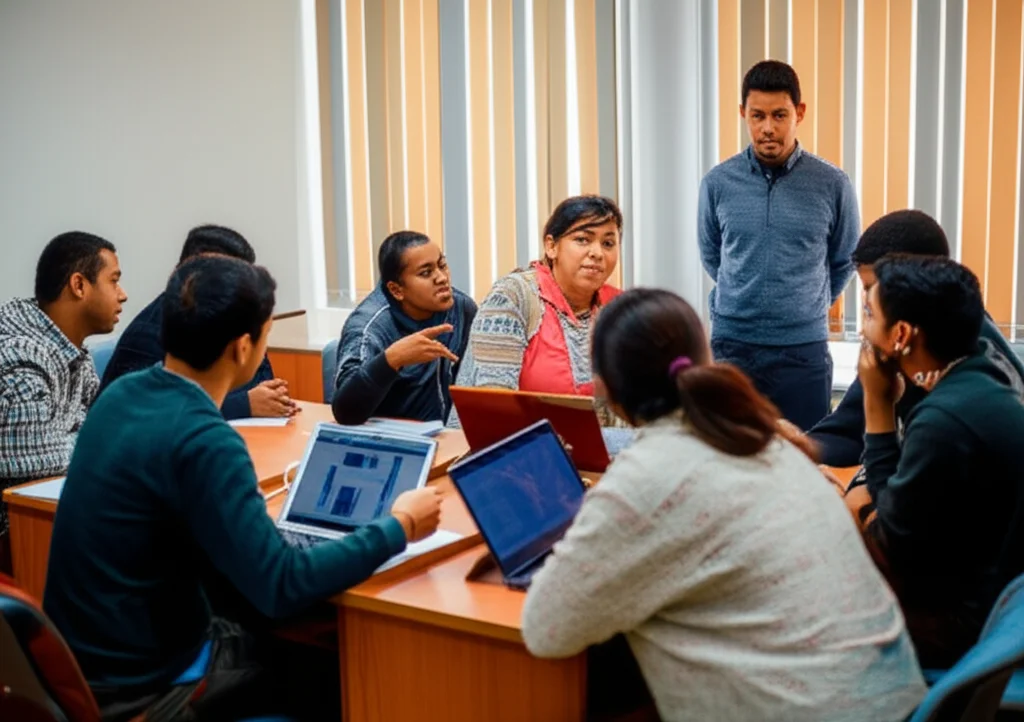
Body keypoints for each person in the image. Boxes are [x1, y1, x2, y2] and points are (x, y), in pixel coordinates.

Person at [43, 255, 443, 721]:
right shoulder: (205, 439)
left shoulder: (121, 395)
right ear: (242, 348)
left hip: (80, 666)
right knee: (337, 669)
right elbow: (282, 585)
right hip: (148, 689)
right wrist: (400, 525)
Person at [522, 287, 926, 722]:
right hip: (893, 698)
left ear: (606, 387)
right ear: (704, 358)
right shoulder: (764, 438)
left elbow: (546, 631)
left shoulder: (647, 476)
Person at [858, 255, 1024, 667]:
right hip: (998, 597)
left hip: (964, 624)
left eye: (867, 313)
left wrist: (877, 407)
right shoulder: (981, 374)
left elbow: (889, 537)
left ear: (900, 334)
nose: (861, 327)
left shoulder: (944, 421)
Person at [698, 59, 859, 430]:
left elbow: (844, 258)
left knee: (805, 460)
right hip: (733, 348)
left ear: (799, 113)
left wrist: (809, 302)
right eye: (757, 116)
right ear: (743, 114)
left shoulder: (833, 183)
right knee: (729, 459)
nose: (768, 128)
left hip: (803, 352)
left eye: (779, 115)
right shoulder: (718, 183)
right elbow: (712, 253)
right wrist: (742, 291)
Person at [809, 209, 1024, 467]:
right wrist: (789, 450)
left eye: (872, 290)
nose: (866, 308)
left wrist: (865, 487)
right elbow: (848, 430)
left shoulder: (966, 370)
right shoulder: (900, 344)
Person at [0, 231, 127, 571]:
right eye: (113, 281)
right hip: (14, 543)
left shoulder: (69, 347)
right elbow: (34, 461)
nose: (123, 294)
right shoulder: (19, 356)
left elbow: (97, 425)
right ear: (79, 285)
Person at [454, 195, 622, 424]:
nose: (597, 253)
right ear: (551, 246)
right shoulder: (513, 297)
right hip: (509, 448)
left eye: (608, 243)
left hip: (597, 453)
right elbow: (494, 405)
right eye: (583, 239)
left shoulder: (618, 307)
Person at [100, 224, 295, 420]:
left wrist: (272, 399)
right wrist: (243, 404)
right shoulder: (148, 334)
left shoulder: (237, 315)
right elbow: (148, 415)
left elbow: (262, 382)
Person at [331, 231, 476, 426]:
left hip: (450, 439)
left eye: (442, 265)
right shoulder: (368, 328)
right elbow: (345, 413)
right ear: (396, 290)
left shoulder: (461, 308)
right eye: (426, 273)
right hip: (391, 443)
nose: (442, 278)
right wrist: (392, 359)